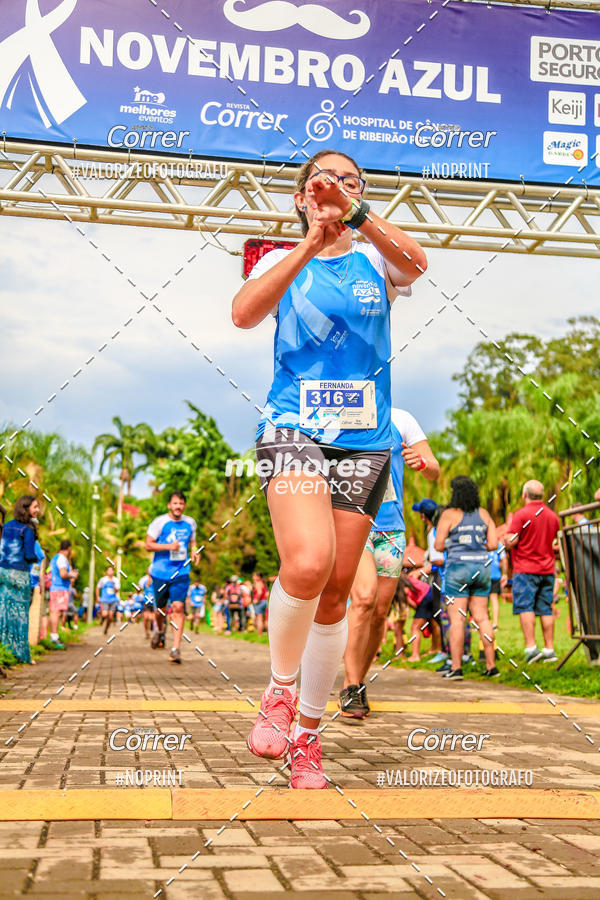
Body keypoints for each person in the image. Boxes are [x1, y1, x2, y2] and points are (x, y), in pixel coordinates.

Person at [232, 147, 426, 788]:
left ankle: (308, 738)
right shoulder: (274, 256)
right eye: (324, 180)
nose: (337, 188)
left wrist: (361, 216)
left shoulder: (377, 255)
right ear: (300, 196)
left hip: (365, 441)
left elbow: (418, 265)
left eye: (350, 181)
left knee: (338, 593)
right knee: (308, 564)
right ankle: (279, 692)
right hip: (293, 430)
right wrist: (312, 241)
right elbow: (243, 313)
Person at [341, 408, 439, 719]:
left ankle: (358, 682)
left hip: (391, 528)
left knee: (380, 611)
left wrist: (421, 463)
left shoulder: (401, 419)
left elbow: (434, 469)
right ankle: (349, 683)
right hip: (353, 521)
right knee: (364, 598)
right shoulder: (336, 411)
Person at [434, 476, 498, 680]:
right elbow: (493, 544)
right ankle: (491, 665)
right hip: (481, 568)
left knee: (457, 619)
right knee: (482, 617)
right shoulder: (484, 513)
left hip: (457, 570)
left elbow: (438, 545)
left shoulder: (449, 515)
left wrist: (453, 544)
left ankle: (456, 668)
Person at [504, 480, 560, 664]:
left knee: (525, 606)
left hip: (525, 569)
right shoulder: (553, 516)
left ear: (524, 494)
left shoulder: (521, 515)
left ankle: (531, 648)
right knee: (545, 608)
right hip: (547, 569)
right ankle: (549, 650)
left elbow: (511, 541)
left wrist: (507, 537)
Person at [145, 491, 197, 663]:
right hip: (160, 572)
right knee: (159, 611)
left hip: (181, 572)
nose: (178, 506)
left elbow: (192, 541)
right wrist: (169, 546)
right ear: (169, 505)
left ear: (185, 506)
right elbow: (148, 545)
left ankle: (175, 649)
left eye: (181, 503)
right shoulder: (159, 522)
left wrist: (195, 551)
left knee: (178, 607)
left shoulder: (190, 523)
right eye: (175, 503)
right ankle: (160, 631)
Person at [0, 495, 40, 663]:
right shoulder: (27, 529)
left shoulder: (7, 526)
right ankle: (21, 654)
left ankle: (5, 649)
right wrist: (35, 559)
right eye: (35, 507)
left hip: (3, 571)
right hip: (19, 574)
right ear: (26, 508)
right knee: (21, 615)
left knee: (5, 613)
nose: (38, 510)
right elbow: (30, 555)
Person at [413, 499, 448, 666]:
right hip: (442, 575)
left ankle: (445, 650)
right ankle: (445, 650)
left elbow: (438, 560)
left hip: (440, 577)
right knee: (442, 614)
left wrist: (419, 572)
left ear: (423, 516)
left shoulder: (433, 532)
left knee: (440, 614)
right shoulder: (439, 531)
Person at [49, 539, 77, 650]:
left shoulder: (55, 557)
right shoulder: (61, 559)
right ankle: (54, 637)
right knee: (56, 613)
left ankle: (54, 635)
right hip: (59, 588)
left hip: (56, 588)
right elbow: (63, 574)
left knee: (56, 612)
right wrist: (73, 575)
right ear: (69, 548)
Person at [96, 565, 120, 635]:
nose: (110, 572)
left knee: (110, 617)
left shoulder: (116, 580)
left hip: (113, 600)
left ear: (113, 571)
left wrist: (113, 584)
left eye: (111, 570)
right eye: (109, 570)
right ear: (107, 571)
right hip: (105, 600)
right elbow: (97, 588)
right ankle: (102, 619)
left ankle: (106, 629)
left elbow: (117, 590)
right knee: (104, 614)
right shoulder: (103, 579)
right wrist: (98, 597)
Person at [138, 569, 155, 639]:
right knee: (145, 618)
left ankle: (153, 629)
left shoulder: (157, 578)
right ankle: (147, 632)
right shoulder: (143, 579)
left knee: (152, 618)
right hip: (146, 601)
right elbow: (139, 589)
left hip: (154, 601)